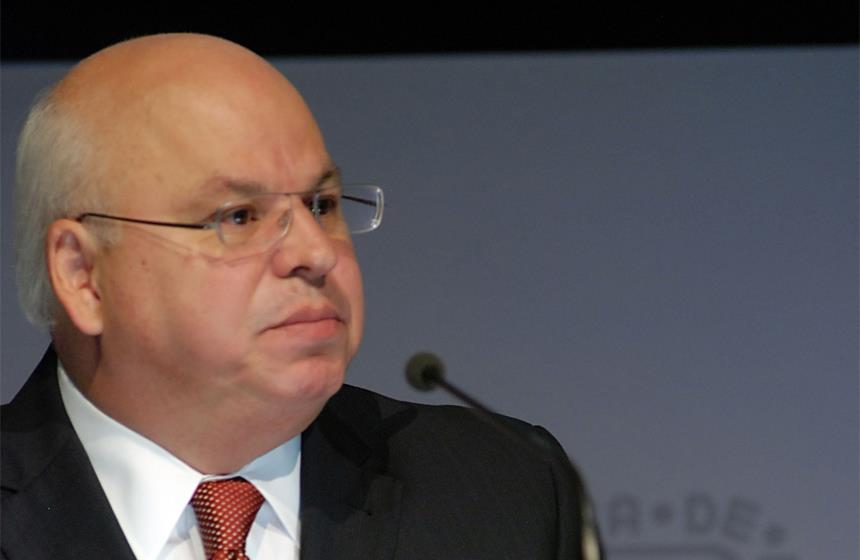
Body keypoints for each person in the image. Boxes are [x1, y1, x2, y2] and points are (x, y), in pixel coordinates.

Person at [1, 33, 599, 559]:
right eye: (239, 216)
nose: (316, 252)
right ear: (83, 274)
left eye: (321, 205)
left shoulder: (502, 490)